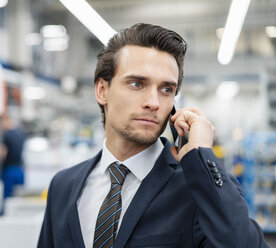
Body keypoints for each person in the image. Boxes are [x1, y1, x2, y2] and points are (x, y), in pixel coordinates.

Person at [38, 23, 268, 247]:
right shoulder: (63, 186)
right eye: (137, 84)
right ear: (102, 90)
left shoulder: (198, 189)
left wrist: (202, 157)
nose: (154, 103)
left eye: (166, 89)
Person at [0, 114, 25, 199]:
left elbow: (4, 153)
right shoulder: (20, 133)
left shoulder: (6, 135)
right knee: (18, 196)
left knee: (7, 198)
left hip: (9, 170)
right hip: (20, 170)